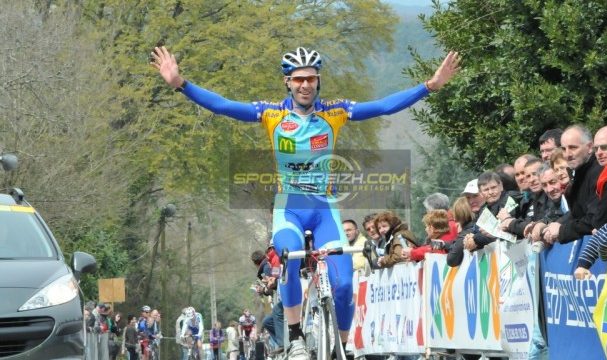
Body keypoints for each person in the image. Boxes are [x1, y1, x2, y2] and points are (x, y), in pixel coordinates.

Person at [151, 45, 459, 360]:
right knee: (288, 256)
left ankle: (343, 347)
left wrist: (429, 87)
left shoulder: (334, 112)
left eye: (310, 78)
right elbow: (224, 106)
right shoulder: (271, 113)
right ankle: (296, 337)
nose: (305, 85)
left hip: (325, 209)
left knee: (341, 287)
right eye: (298, 79)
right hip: (289, 209)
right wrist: (181, 85)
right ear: (288, 82)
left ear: (318, 80)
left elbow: (382, 106)